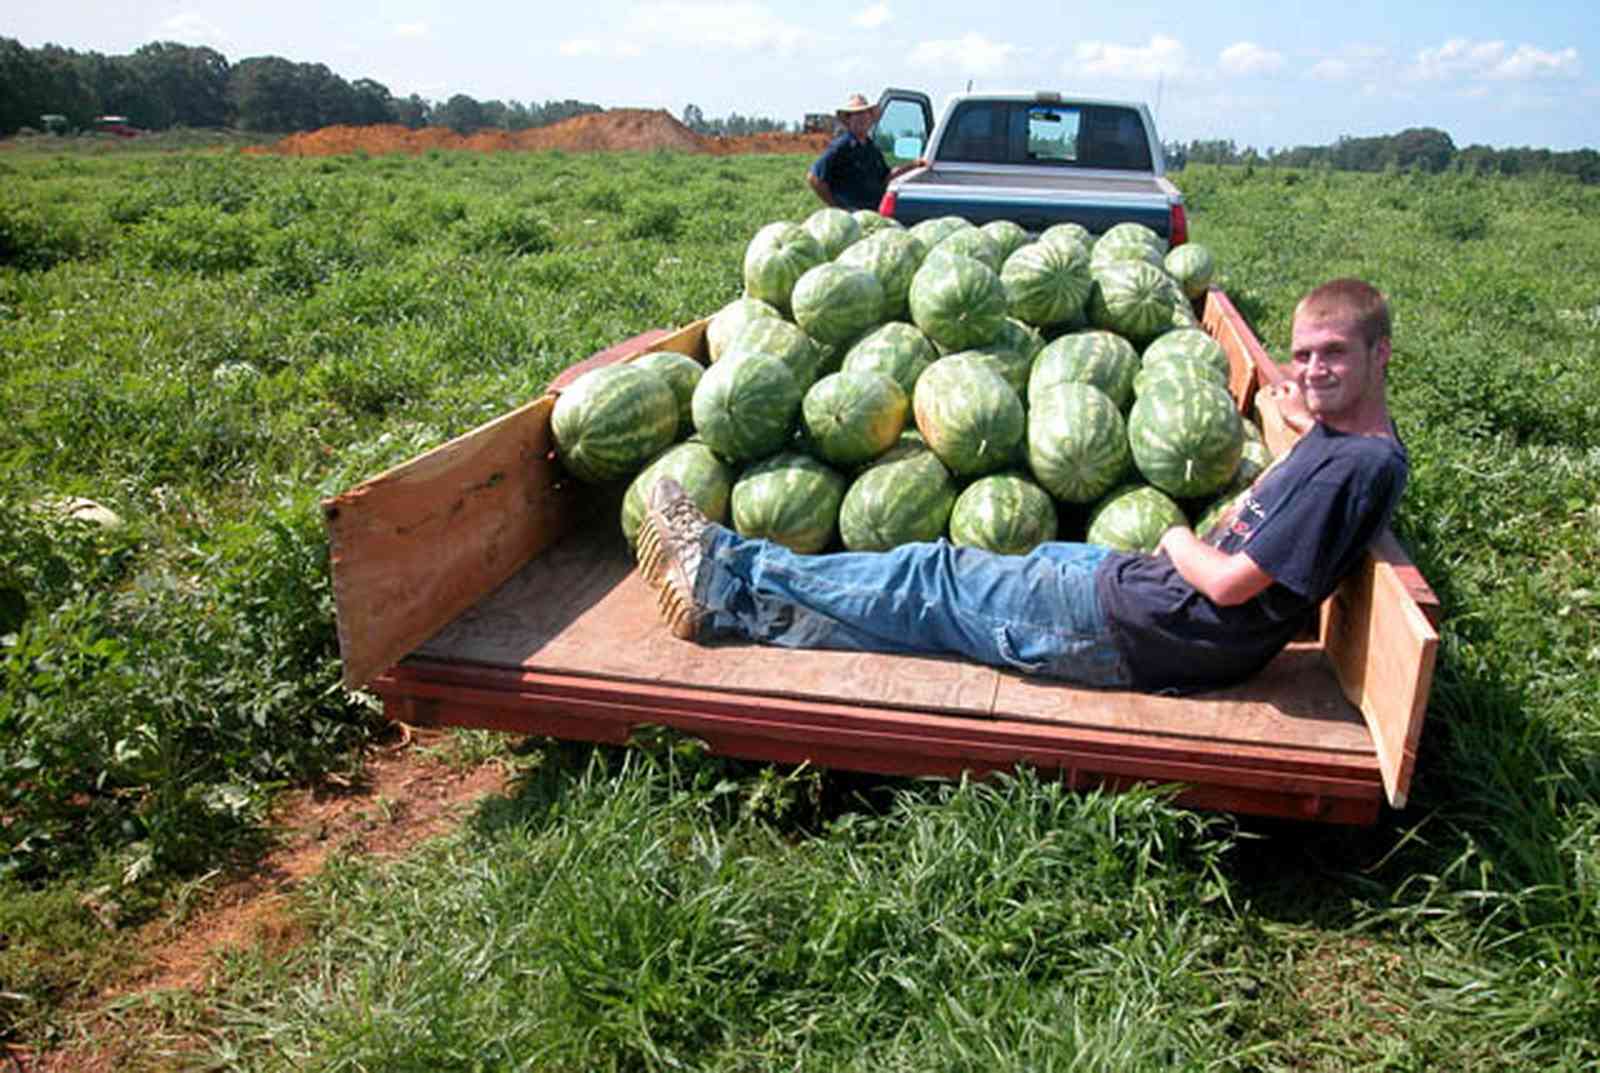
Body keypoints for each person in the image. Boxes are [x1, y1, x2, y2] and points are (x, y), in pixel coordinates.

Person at [635, 279, 1408, 695]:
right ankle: (746, 598)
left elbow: (1235, 583)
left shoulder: (1353, 467)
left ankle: (728, 569)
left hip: (1137, 627)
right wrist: (1286, 404)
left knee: (929, 576)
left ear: (1381, 354)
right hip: (1137, 596)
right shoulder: (1359, 445)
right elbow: (1307, 449)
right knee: (941, 598)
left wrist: (1175, 537)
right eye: (1302, 354)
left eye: (1333, 354)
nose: (1310, 370)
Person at [807, 93, 922, 212]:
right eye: (856, 114)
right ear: (848, 120)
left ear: (870, 118)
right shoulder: (840, 147)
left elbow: (886, 177)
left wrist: (913, 165)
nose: (861, 118)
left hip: (872, 213)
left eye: (864, 113)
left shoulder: (872, 148)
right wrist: (836, 207)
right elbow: (814, 178)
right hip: (851, 215)